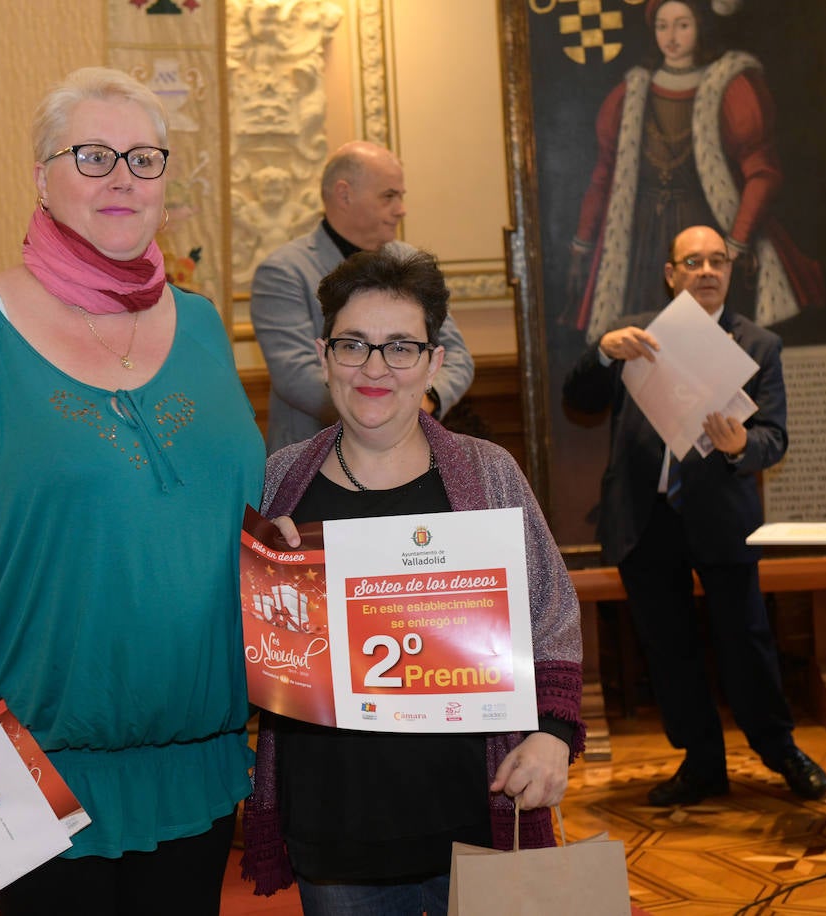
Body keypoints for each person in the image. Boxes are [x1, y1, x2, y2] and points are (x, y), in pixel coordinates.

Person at [0, 67, 264, 916]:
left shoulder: (202, 323)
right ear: (41, 178)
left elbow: (231, 520)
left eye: (144, 158)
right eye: (92, 156)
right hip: (24, 761)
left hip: (194, 750)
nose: (122, 177)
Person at [241, 248, 585, 914]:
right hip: (335, 832)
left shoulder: (488, 474)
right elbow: (259, 656)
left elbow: (552, 614)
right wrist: (266, 581)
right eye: (353, 345)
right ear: (323, 356)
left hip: (478, 819)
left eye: (401, 347)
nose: (375, 369)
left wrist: (551, 735)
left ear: (433, 361)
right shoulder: (280, 481)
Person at [562, 225, 826, 807]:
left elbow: (774, 438)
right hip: (644, 516)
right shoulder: (636, 334)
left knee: (746, 640)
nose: (707, 271)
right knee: (669, 647)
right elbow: (578, 399)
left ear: (730, 271)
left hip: (721, 516)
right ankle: (702, 762)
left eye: (717, 261)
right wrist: (602, 351)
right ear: (670, 273)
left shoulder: (759, 344)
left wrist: (741, 445)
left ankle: (779, 748)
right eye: (693, 262)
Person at [564, 0, 823, 343]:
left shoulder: (730, 85)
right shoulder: (632, 92)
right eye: (662, 26)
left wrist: (736, 241)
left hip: (708, 228)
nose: (671, 37)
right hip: (645, 238)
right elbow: (604, 174)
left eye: (682, 25)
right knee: (648, 340)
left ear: (700, 26)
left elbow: (762, 174)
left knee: (715, 338)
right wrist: (583, 240)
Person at [251, 140, 475, 453]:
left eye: (400, 196)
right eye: (389, 196)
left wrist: (425, 401)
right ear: (344, 195)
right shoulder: (284, 271)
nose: (401, 209)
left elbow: (457, 357)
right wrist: (387, 407)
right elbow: (297, 377)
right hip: (314, 460)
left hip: (411, 454)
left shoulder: (411, 263)